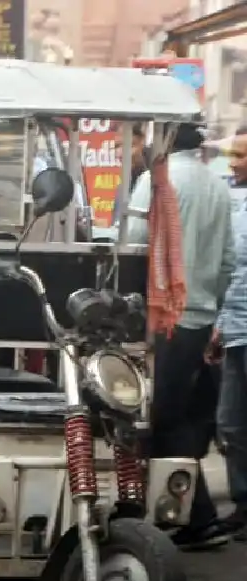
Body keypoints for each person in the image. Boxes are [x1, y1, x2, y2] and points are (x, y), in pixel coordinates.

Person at [127, 123, 237, 550]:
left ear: (166, 141)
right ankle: (193, 517)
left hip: (162, 317)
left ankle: (194, 517)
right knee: (183, 419)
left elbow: (135, 245)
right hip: (200, 317)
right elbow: (228, 259)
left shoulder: (156, 178)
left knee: (155, 419)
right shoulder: (216, 185)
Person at [211, 131, 247, 540]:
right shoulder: (232, 201)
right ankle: (243, 502)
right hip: (235, 327)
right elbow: (230, 270)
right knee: (231, 425)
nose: (232, 163)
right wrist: (221, 325)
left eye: (240, 156)